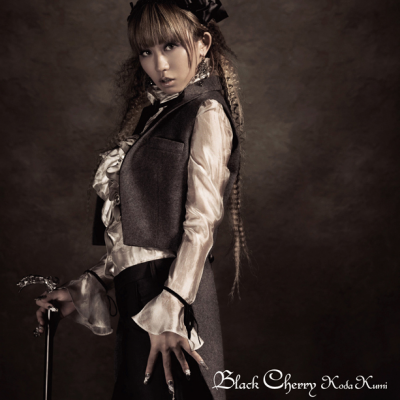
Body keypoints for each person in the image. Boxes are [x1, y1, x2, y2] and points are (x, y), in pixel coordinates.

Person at [34, 1, 250, 399]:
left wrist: (172, 305)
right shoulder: (156, 115)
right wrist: (86, 288)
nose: (159, 65)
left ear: (203, 43)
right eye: (146, 51)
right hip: (141, 300)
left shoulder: (205, 111)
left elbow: (201, 224)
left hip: (171, 305)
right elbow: (142, 238)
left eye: (170, 46)